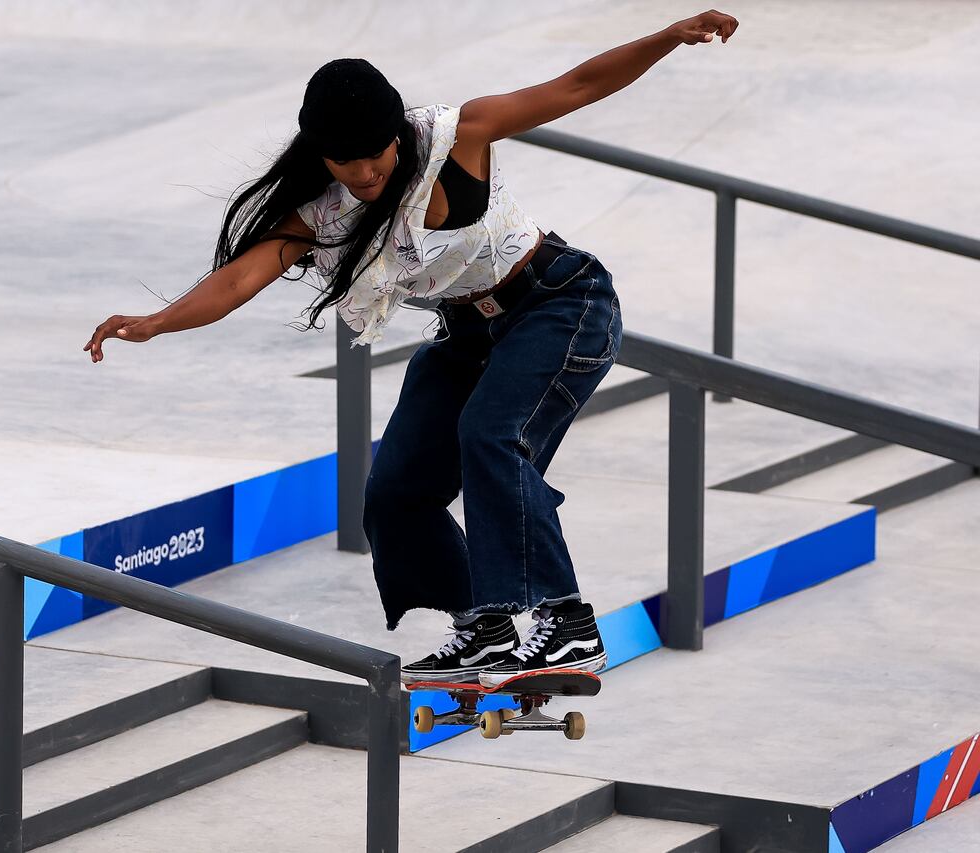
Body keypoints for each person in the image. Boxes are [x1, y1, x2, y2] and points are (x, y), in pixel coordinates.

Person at [85, 10, 739, 687]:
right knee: (395, 488)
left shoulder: (456, 137)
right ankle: (483, 627)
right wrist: (156, 322)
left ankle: (566, 621)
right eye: (347, 159)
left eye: (377, 152)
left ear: (397, 134)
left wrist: (666, 38)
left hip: (560, 303)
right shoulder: (320, 212)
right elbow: (239, 278)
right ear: (321, 153)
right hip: (468, 334)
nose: (366, 171)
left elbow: (576, 85)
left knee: (492, 435)